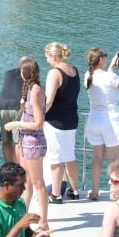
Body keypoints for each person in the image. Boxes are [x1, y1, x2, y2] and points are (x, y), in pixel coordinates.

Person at [3, 57, 49, 230]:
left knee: (38, 183)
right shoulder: (29, 89)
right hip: (25, 140)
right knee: (26, 180)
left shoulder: (36, 91)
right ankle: (23, 216)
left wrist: (16, 124)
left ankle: (43, 221)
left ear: (25, 72)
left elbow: (38, 122)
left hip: (34, 142)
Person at [84, 47, 119, 200]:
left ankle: (95, 191)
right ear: (101, 60)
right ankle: (113, 192)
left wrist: (111, 69)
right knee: (114, 159)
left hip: (94, 119)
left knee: (97, 158)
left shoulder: (87, 76)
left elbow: (106, 80)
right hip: (111, 120)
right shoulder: (110, 77)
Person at [43, 42, 81, 202]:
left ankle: (56, 194)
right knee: (69, 156)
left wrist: (38, 115)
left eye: (47, 57)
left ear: (53, 56)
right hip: (71, 120)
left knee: (55, 158)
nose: (46, 60)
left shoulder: (54, 73)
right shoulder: (74, 71)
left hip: (55, 121)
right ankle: (75, 191)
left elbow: (49, 100)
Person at [0, 63, 25, 164]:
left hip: (2, 106)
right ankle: (17, 169)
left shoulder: (8, 73)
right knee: (17, 142)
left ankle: (9, 167)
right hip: (16, 108)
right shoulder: (29, 74)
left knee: (6, 141)